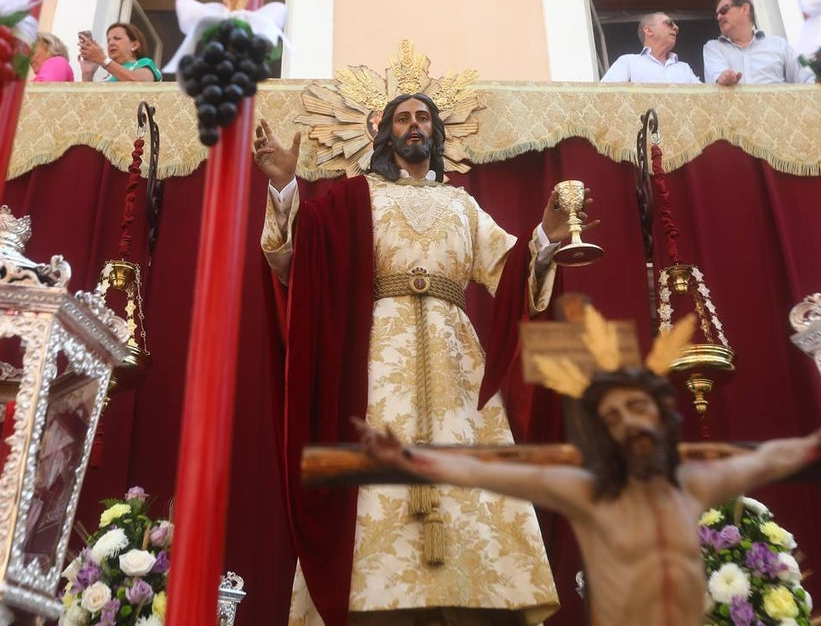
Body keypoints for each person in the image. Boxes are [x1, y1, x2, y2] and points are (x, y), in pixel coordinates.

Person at [255, 92, 596, 626]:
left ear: (437, 133)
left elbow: (507, 273)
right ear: (383, 134)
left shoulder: (462, 204)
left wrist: (546, 240)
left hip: (457, 362)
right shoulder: (355, 199)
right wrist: (283, 185)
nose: (414, 127)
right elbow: (293, 259)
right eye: (402, 119)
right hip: (376, 359)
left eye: (423, 119)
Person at [357, 316, 821, 626]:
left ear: (661, 413)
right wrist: (408, 459)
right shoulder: (588, 492)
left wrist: (814, 446)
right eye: (612, 418)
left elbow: (766, 460)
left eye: (637, 408)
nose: (628, 423)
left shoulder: (697, 482)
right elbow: (491, 473)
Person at [703, 0, 815, 86]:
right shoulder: (713, 48)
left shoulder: (779, 45)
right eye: (716, 15)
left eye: (724, 10)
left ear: (744, 8)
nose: (719, 17)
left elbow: (806, 80)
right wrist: (723, 79)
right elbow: (717, 81)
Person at [601, 12, 700, 83]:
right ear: (648, 31)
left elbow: (704, 100)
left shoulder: (684, 68)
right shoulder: (628, 62)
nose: (676, 27)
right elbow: (606, 95)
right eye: (669, 23)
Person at [77, 22, 162, 82]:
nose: (111, 43)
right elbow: (90, 104)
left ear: (135, 45)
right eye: (108, 41)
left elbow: (138, 83)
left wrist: (103, 60)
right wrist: (87, 73)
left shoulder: (144, 63)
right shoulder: (107, 78)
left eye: (117, 38)